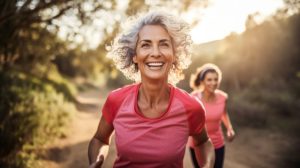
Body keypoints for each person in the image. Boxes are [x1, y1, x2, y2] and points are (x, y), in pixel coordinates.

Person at [88, 11, 215, 168]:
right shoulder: (117, 100)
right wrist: (96, 161)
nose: (155, 53)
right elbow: (99, 139)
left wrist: (207, 165)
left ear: (174, 54)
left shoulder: (191, 107)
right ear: (135, 55)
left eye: (164, 44)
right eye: (146, 45)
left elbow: (203, 142)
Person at [188, 63, 235, 168]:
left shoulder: (223, 97)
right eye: (209, 79)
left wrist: (229, 128)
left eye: (215, 79)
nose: (213, 83)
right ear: (202, 81)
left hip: (218, 143)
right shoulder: (193, 98)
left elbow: (224, 114)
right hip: (198, 145)